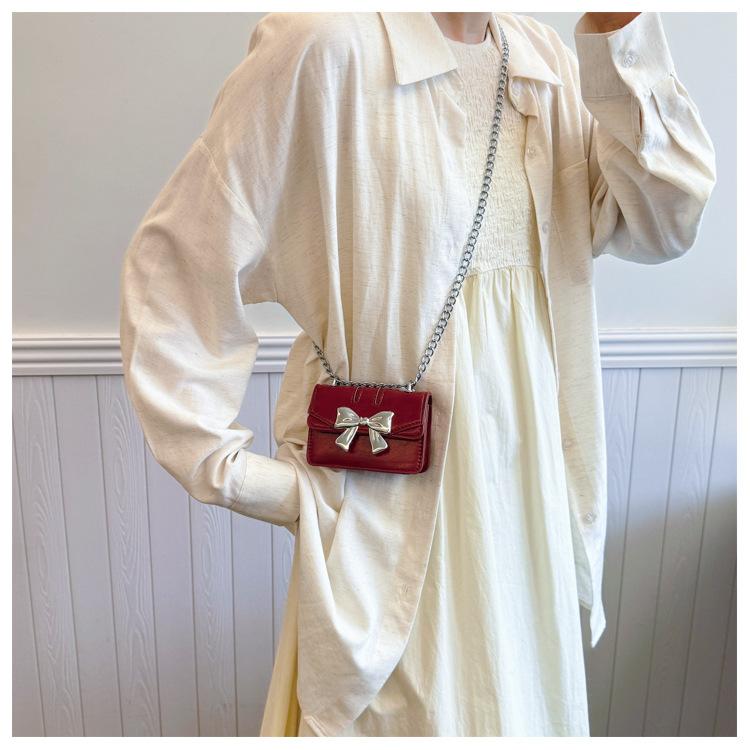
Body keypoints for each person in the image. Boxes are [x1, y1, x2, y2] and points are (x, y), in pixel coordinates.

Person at [119, 11, 716, 737]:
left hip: (528, 504)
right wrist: (245, 478)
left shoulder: (543, 62)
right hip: (392, 514)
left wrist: (621, 28)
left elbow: (666, 218)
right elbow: (178, 265)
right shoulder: (324, 48)